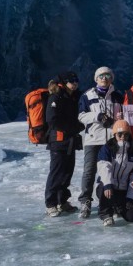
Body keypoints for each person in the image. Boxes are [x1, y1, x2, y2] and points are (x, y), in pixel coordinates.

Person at [76, 66, 124, 218]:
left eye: (107, 76)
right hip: (93, 139)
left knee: (113, 170)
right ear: (96, 79)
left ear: (111, 79)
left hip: (111, 139)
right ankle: (85, 201)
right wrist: (98, 116)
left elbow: (125, 115)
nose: (104, 78)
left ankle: (113, 201)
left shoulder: (117, 96)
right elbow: (81, 116)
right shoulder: (87, 96)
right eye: (101, 76)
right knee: (89, 171)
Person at [45, 71, 85, 217]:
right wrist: (74, 127)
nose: (74, 83)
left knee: (67, 172)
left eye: (76, 80)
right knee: (56, 172)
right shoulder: (56, 97)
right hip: (58, 141)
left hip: (70, 140)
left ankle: (62, 201)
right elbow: (52, 120)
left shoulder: (74, 97)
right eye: (71, 81)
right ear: (63, 82)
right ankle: (50, 204)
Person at [95, 120, 133, 226]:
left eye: (126, 134)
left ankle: (117, 207)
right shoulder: (107, 148)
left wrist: (130, 198)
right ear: (114, 135)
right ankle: (106, 214)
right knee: (105, 185)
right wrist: (108, 185)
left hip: (123, 190)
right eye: (120, 134)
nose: (123, 137)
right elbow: (104, 167)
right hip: (107, 187)